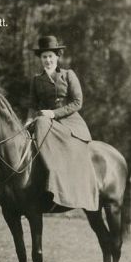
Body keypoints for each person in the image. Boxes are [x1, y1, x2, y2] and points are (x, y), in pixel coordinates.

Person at [27, 35, 99, 211]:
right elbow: (32, 105)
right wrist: (28, 120)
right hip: (45, 122)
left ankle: (59, 179)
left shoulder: (68, 75)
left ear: (58, 56)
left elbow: (77, 102)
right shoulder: (37, 79)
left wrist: (53, 113)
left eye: (51, 56)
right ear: (41, 59)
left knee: (42, 123)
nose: (48, 60)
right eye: (44, 57)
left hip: (70, 123)